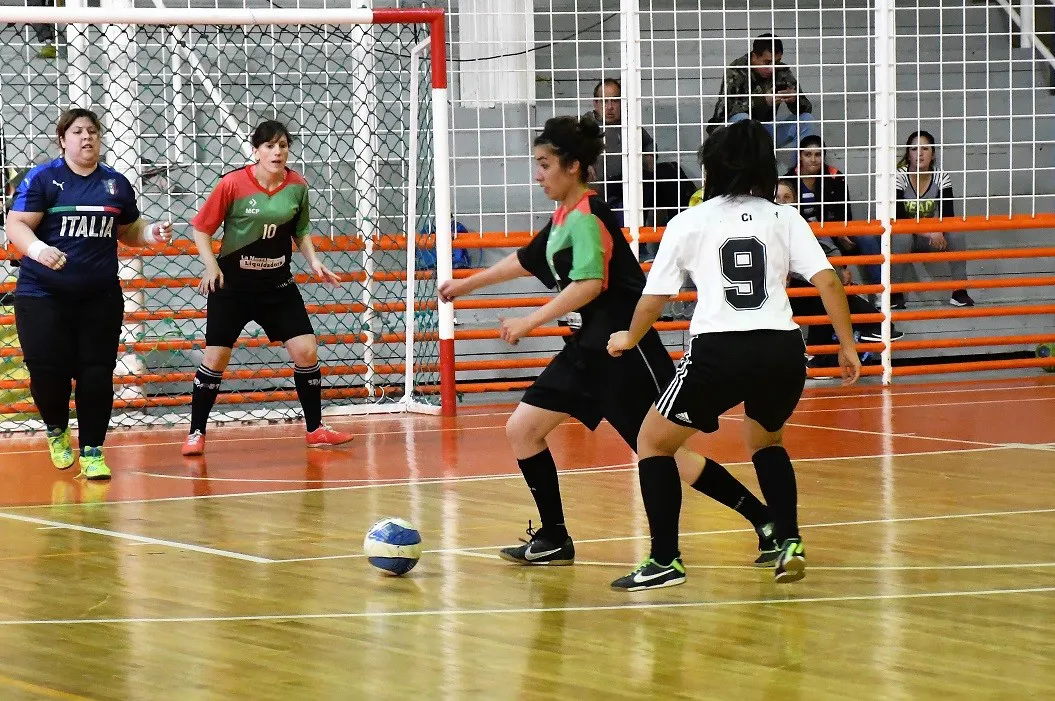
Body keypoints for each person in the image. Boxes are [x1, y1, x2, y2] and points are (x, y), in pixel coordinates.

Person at [439, 115, 780, 568]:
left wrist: (529, 322)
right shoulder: (564, 217)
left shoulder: (588, 218)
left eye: (545, 164)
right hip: (587, 351)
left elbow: (589, 285)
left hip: (623, 351)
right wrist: (464, 285)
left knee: (663, 453)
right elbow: (526, 259)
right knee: (523, 429)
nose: (538, 175)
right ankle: (554, 537)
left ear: (573, 167)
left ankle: (765, 521)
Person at [607, 120, 861, 591]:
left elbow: (655, 297)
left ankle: (665, 559)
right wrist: (847, 345)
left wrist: (629, 336)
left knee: (653, 443)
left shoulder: (690, 221)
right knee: (767, 443)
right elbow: (828, 281)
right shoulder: (785, 217)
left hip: (720, 350)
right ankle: (788, 540)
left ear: (713, 165)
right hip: (782, 349)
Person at [5, 108, 173, 480]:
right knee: (48, 372)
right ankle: (56, 428)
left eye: (92, 131)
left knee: (97, 372)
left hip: (99, 295)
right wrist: (39, 250)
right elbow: (16, 224)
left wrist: (150, 234)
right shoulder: (44, 179)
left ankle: (93, 451)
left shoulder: (115, 184)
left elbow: (128, 230)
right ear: (62, 139)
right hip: (42, 294)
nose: (87, 137)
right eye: (78, 131)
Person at [181, 120, 353, 456]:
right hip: (233, 287)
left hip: (277, 286)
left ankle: (315, 429)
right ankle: (195, 433)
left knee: (306, 351)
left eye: (283, 146)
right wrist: (211, 266)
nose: (277, 152)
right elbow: (201, 229)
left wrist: (314, 261)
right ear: (256, 150)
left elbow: (301, 230)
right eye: (270, 146)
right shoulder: (232, 184)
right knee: (215, 357)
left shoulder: (297, 186)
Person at [778, 178, 902, 362]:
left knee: (823, 290)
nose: (781, 202)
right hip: (776, 295)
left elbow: (828, 246)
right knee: (824, 287)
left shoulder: (800, 225)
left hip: (801, 289)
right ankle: (875, 323)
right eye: (777, 197)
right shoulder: (767, 228)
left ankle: (819, 354)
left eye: (787, 197)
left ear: (796, 202)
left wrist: (839, 268)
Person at [785, 135, 881, 287]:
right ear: (800, 156)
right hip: (804, 233)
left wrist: (841, 232)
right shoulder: (788, 180)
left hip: (834, 229)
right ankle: (841, 281)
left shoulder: (835, 176)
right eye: (808, 154)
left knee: (867, 238)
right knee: (823, 242)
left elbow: (845, 211)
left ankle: (882, 290)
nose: (813, 159)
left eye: (818, 154)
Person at [892, 130, 973, 308]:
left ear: (933, 154)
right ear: (908, 154)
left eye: (925, 149)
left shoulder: (941, 176)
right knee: (901, 236)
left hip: (929, 238)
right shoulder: (899, 176)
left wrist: (937, 231)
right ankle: (894, 293)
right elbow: (899, 218)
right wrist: (929, 232)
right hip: (906, 237)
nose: (919, 153)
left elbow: (948, 215)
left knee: (956, 233)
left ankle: (959, 291)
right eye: (914, 149)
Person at [707, 33, 816, 150]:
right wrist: (763, 101)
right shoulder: (736, 71)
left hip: (764, 132)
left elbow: (806, 109)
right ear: (754, 57)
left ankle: (801, 162)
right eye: (767, 62)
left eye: (776, 62)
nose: (772, 68)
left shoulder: (781, 71)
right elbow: (724, 113)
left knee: (807, 119)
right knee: (743, 120)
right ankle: (746, 161)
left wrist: (794, 100)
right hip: (731, 134)